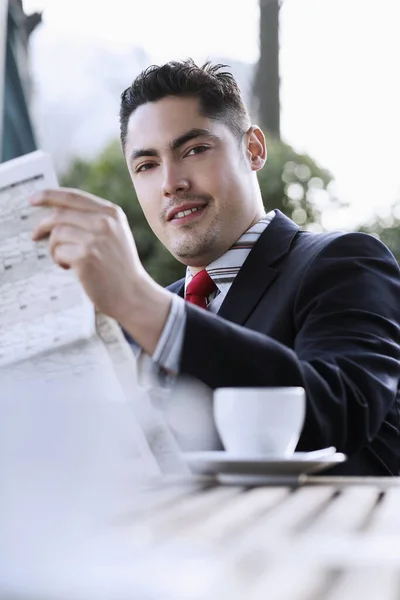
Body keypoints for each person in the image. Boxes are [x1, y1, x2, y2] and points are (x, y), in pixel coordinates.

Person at [30, 60, 400, 476]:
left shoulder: (346, 262)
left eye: (194, 150)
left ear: (253, 149)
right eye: (146, 165)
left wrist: (142, 305)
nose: (171, 182)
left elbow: (338, 411)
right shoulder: (139, 320)